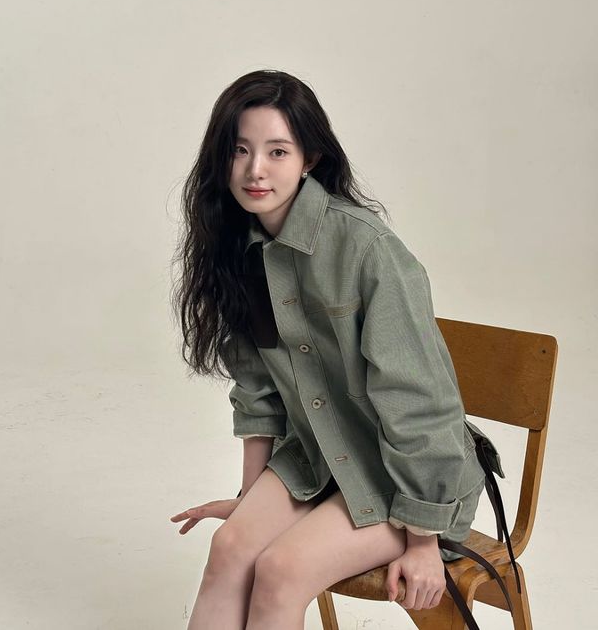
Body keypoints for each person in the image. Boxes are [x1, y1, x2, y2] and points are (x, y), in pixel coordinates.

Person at [169, 69, 500, 630]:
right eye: (240, 150)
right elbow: (258, 392)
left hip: (403, 479)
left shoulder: (367, 249)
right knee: (229, 549)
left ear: (311, 158)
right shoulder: (237, 250)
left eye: (277, 151)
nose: (255, 170)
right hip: (319, 457)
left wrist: (423, 540)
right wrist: (250, 501)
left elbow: (419, 400)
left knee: (280, 570)